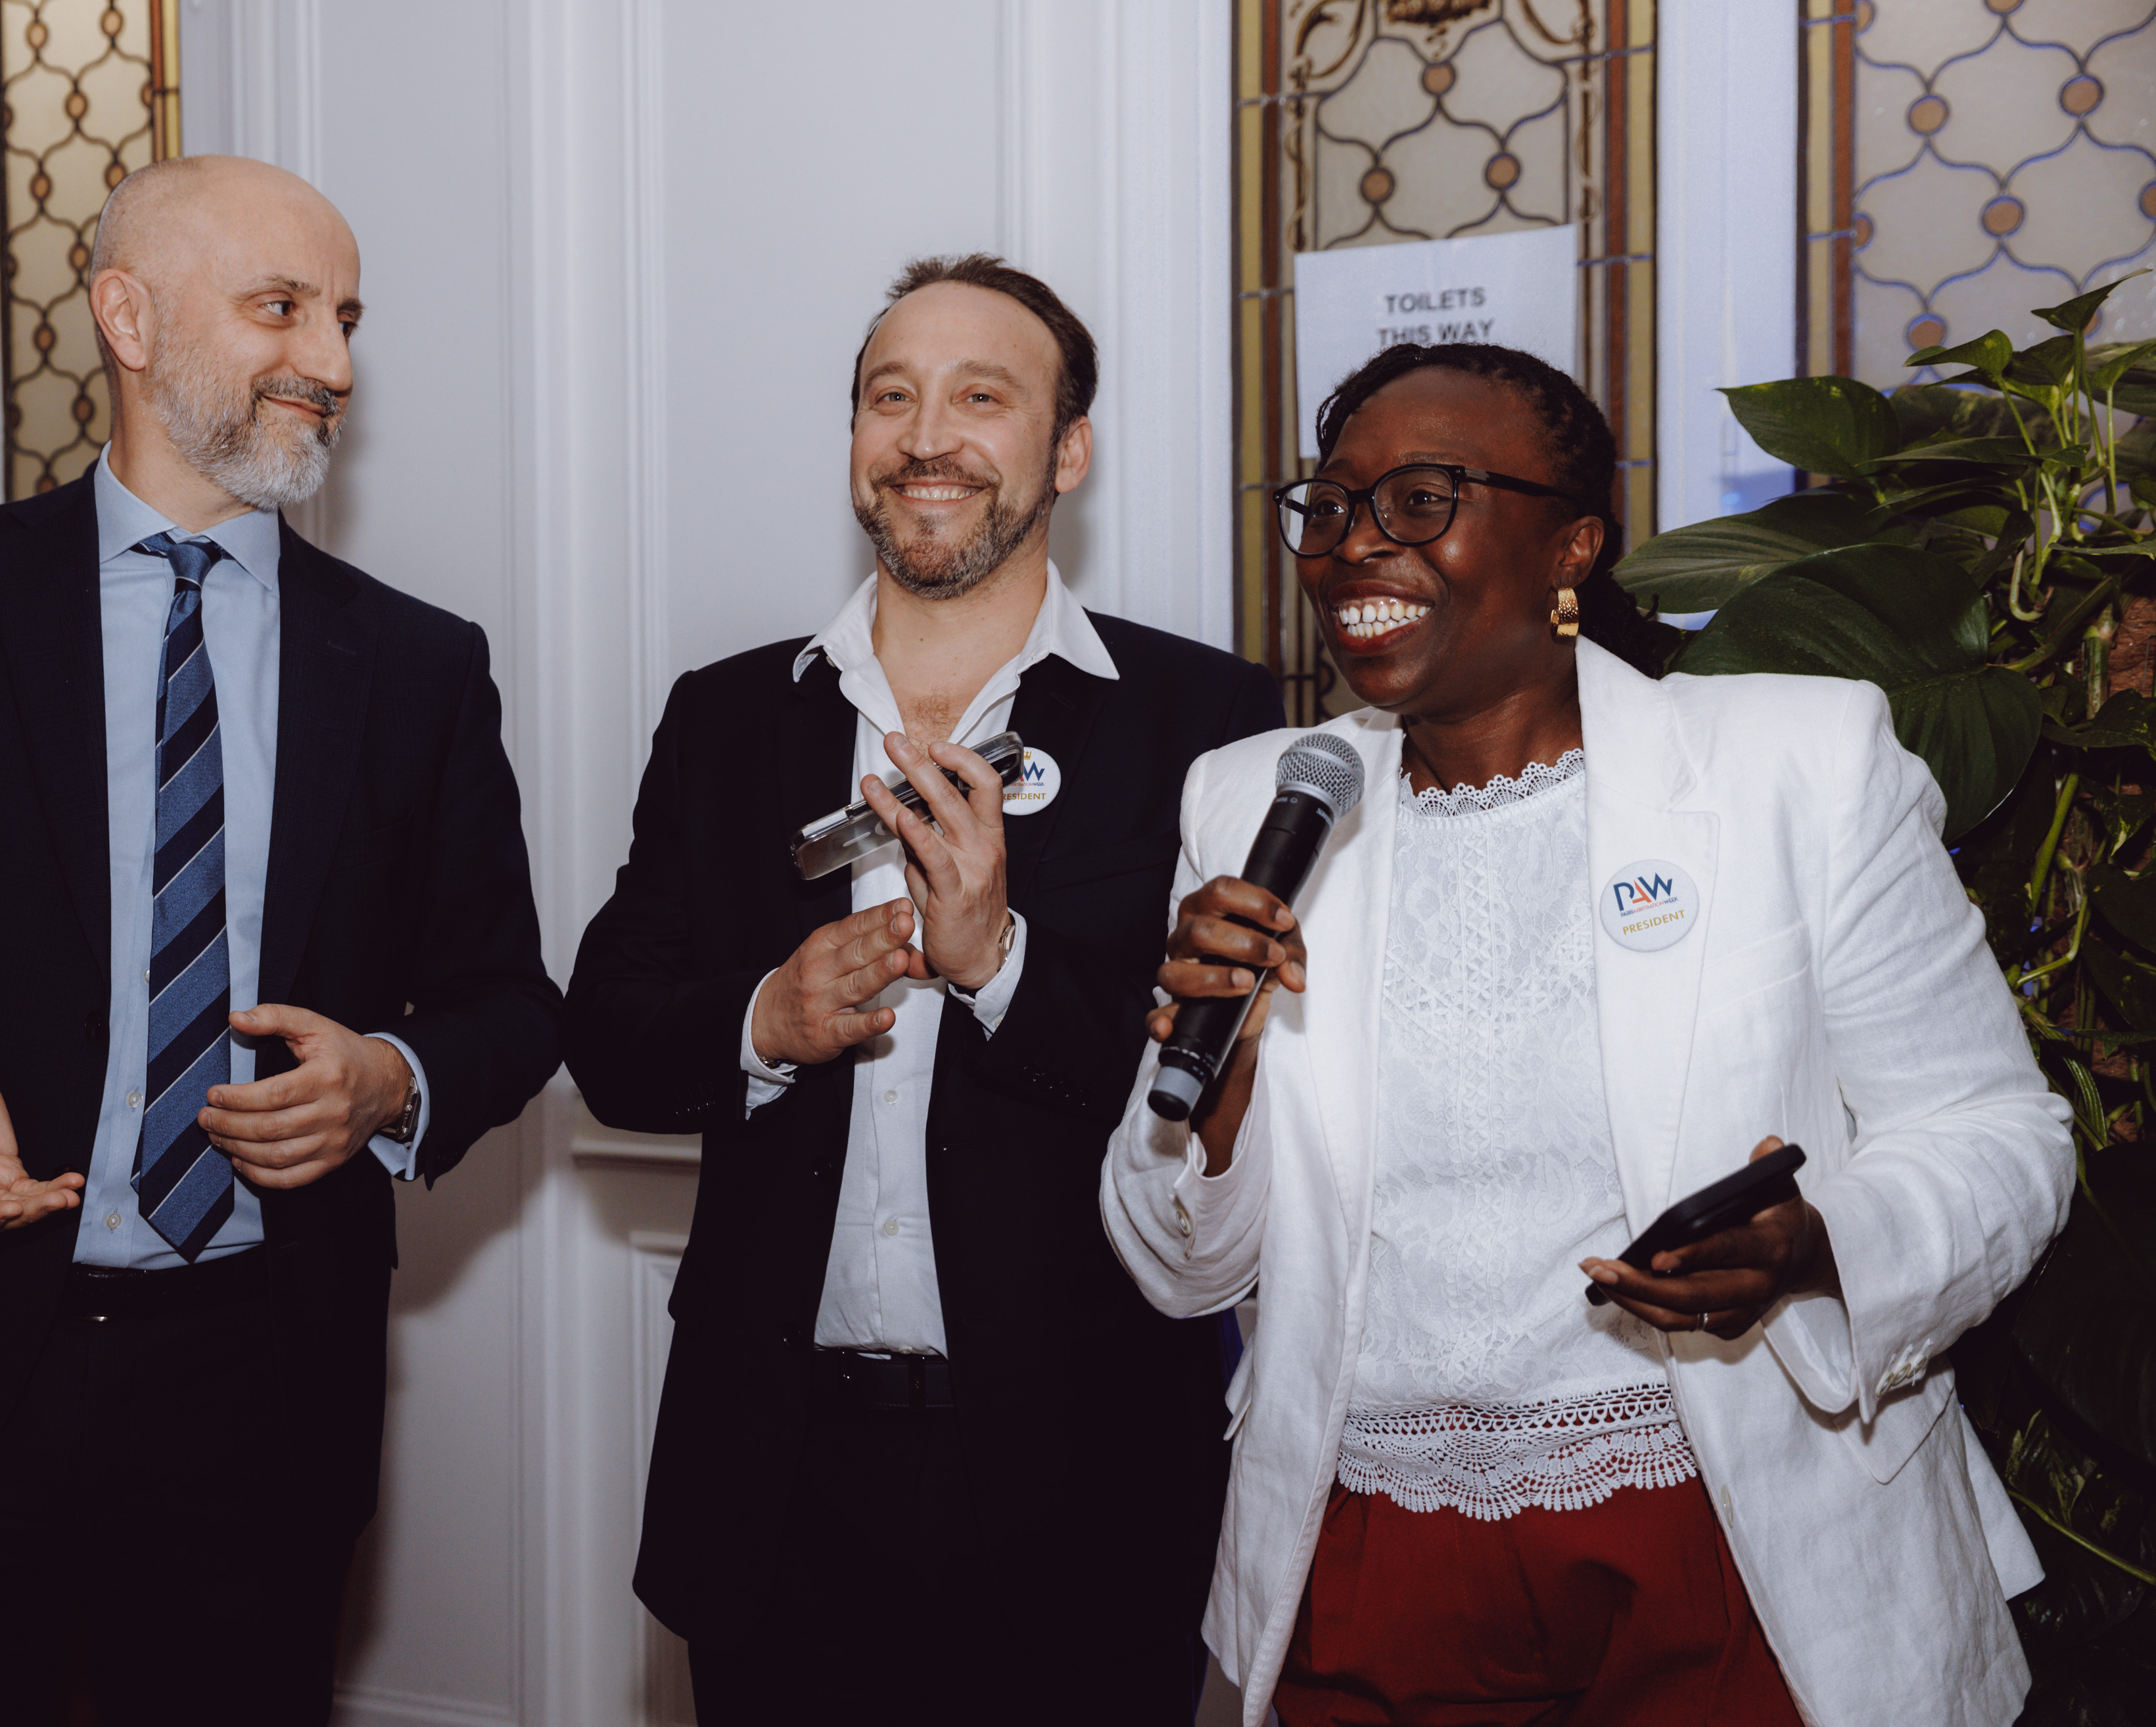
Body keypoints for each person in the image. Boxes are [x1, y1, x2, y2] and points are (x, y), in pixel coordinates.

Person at [1100, 341, 2074, 1727]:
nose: (1352, 543)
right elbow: (1178, 1267)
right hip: (1369, 1544)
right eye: (1329, 505)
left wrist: (1820, 1249)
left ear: (1571, 545)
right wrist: (1223, 1092)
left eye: (1421, 500)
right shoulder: (1253, 800)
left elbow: (1995, 1131)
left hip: (1732, 1527)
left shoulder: (1793, 764)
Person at [0, 155, 561, 1726]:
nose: (332, 361)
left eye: (347, 318)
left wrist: (387, 1079)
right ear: (128, 317)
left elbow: (509, 1003)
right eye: (280, 307)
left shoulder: (417, 665)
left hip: (257, 1402)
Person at [564, 255, 1282, 1724]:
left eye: (981, 398)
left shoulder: (1204, 722)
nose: (925, 437)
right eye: (888, 397)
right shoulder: (723, 716)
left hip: (1081, 1493)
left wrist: (998, 962)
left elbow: (1216, 1092)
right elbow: (609, 1041)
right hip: (772, 1485)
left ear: (1066, 452)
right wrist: (764, 1020)